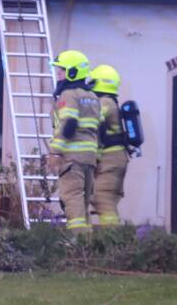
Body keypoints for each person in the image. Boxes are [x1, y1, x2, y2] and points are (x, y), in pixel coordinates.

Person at [48, 49, 101, 234]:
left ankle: (77, 242)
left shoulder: (69, 94)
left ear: (72, 72)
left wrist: (55, 152)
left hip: (72, 158)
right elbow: (97, 129)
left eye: (61, 70)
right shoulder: (93, 97)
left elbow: (68, 124)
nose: (58, 74)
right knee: (83, 202)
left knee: (72, 199)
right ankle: (87, 241)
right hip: (89, 158)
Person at [90, 65, 128, 228]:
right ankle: (111, 235)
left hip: (111, 159)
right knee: (101, 197)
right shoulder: (108, 101)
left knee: (102, 197)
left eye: (92, 81)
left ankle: (112, 236)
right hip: (113, 158)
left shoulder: (105, 102)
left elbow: (92, 119)